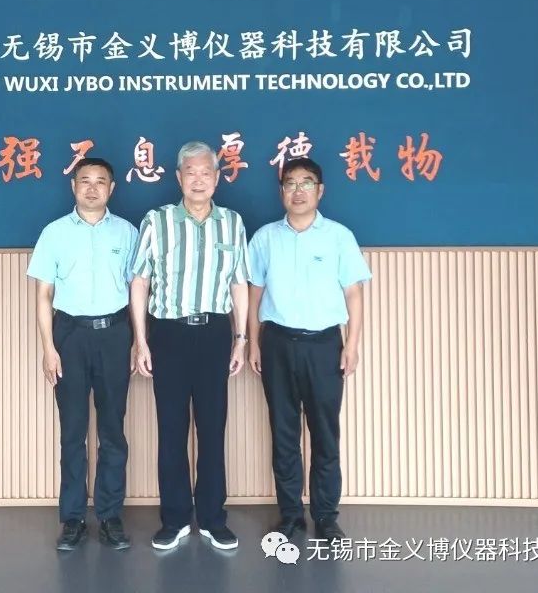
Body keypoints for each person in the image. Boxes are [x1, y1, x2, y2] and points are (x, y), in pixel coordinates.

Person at [131, 141, 249, 551]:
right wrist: (141, 340)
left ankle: (214, 519)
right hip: (169, 334)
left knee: (213, 429)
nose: (199, 180)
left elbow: (239, 284)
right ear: (179, 177)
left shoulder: (232, 222)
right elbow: (140, 281)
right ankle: (176, 518)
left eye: (206, 173)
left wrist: (241, 339)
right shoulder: (157, 220)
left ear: (217, 178)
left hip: (215, 333)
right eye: (191, 173)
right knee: (171, 429)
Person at [247, 157, 371, 541]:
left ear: (320, 190)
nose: (298, 191)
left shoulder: (339, 237)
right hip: (277, 343)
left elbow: (354, 293)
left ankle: (326, 516)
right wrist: (252, 343)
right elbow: (254, 295)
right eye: (290, 183)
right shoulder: (265, 238)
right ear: (281, 191)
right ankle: (290, 514)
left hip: (324, 346)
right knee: (283, 433)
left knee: (324, 433)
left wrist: (352, 344)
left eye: (306, 183)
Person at [26, 157, 139, 551]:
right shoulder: (54, 233)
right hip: (70, 336)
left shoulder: (127, 232)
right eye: (84, 181)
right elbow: (44, 295)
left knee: (112, 431)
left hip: (115, 334)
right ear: (73, 186)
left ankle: (110, 517)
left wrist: (137, 341)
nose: (92, 188)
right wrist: (48, 348)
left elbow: (138, 291)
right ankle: (72, 519)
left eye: (100, 181)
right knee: (73, 432)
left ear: (112, 188)